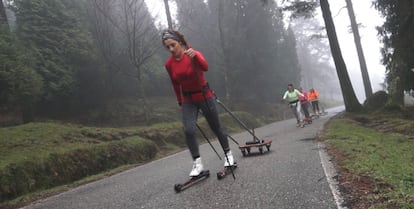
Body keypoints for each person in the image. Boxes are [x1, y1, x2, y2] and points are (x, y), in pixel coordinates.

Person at [162, 29, 235, 177]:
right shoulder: (169, 64)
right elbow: (175, 84)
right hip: (188, 99)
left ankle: (229, 156)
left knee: (216, 127)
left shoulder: (192, 53)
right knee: (188, 130)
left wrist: (195, 57)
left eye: (173, 45)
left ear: (180, 43)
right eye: (167, 47)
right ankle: (198, 163)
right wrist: (179, 100)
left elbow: (205, 67)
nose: (170, 49)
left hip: (204, 95)